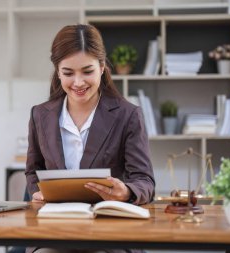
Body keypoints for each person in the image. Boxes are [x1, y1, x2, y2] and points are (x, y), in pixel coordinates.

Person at [25, 24, 155, 253]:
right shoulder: (40, 115)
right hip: (55, 232)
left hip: (109, 235)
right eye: (68, 73)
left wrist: (126, 191)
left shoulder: (128, 115)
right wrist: (37, 191)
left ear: (102, 67)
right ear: (57, 71)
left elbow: (145, 181)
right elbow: (33, 171)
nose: (78, 83)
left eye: (87, 71)